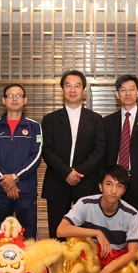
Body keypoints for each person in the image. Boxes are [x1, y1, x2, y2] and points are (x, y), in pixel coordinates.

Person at [56, 165, 138, 273]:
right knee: (71, 245)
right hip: (92, 255)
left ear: (124, 191)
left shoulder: (132, 214)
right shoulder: (86, 203)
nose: (113, 190)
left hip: (116, 258)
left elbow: (133, 252)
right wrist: (97, 233)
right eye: (109, 184)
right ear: (100, 186)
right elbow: (61, 230)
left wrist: (108, 269)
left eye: (119, 186)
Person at [41, 70, 105, 239]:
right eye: (68, 85)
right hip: (57, 182)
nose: (72, 89)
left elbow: (99, 150)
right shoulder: (50, 119)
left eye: (77, 86)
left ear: (83, 90)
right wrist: (66, 172)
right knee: (57, 234)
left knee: (85, 236)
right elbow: (47, 150)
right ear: (62, 89)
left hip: (86, 183)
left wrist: (78, 172)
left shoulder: (96, 119)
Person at [0, 84, 42, 239]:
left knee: (29, 237)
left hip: (26, 190)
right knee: (0, 235)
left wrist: (15, 177)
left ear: (25, 100)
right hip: (0, 190)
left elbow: (36, 156)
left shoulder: (35, 127)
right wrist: (7, 181)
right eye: (10, 95)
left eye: (19, 95)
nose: (14, 99)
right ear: (4, 100)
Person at [103, 75, 138, 227]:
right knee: (112, 226)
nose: (127, 93)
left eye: (131, 89)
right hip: (113, 184)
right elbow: (103, 155)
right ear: (117, 94)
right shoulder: (107, 122)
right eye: (123, 90)